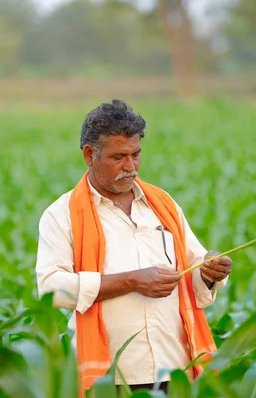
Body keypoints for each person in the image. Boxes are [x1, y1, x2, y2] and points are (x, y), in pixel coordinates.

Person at [35, 99, 233, 395]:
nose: (130, 167)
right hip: (110, 377)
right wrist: (131, 281)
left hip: (175, 369)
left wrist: (210, 270)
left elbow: (194, 269)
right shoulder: (61, 215)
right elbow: (51, 291)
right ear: (89, 155)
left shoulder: (162, 204)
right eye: (119, 157)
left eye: (136, 155)